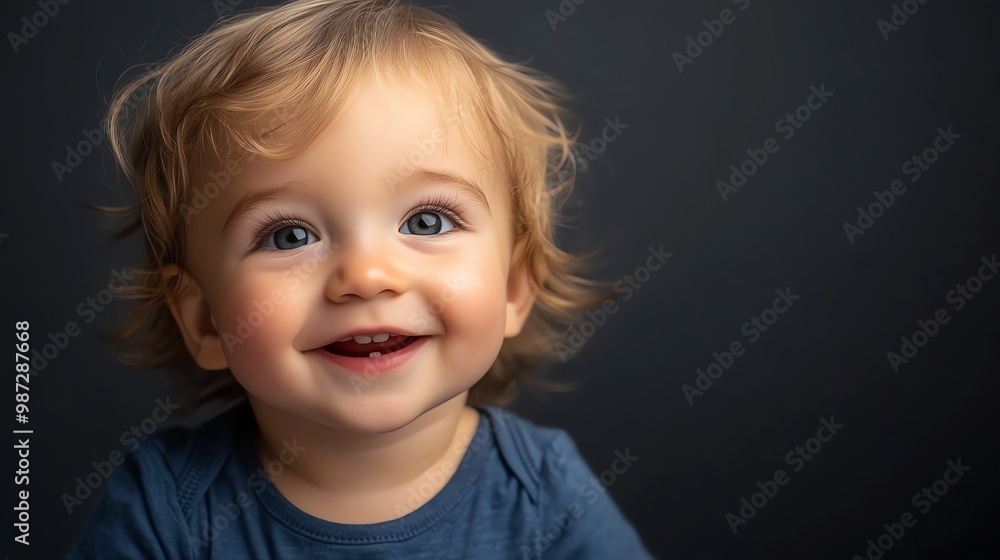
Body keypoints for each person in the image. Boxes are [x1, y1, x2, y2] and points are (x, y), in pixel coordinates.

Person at [68, 0, 652, 557]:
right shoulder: (164, 507)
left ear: (512, 288)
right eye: (289, 235)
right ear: (204, 319)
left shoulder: (544, 493)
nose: (367, 277)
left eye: (427, 221)